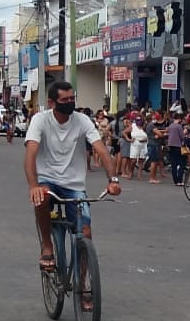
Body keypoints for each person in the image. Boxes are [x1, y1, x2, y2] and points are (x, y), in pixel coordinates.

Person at [25, 81, 121, 274]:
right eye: (65, 100)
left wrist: (113, 180)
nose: (70, 102)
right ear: (52, 103)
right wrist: (34, 185)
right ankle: (47, 246)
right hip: (47, 179)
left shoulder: (82, 120)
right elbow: (30, 155)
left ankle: (83, 286)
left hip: (74, 184)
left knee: (85, 233)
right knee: (40, 199)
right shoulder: (40, 120)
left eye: (72, 98)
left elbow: (101, 150)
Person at [167, 111, 187, 186]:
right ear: (179, 119)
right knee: (182, 163)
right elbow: (182, 137)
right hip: (178, 146)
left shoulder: (171, 126)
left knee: (173, 164)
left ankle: (175, 181)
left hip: (170, 146)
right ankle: (180, 180)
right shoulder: (179, 126)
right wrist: (184, 132)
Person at [145, 111, 166, 184]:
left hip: (153, 144)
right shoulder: (151, 125)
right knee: (154, 161)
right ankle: (152, 178)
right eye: (154, 116)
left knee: (155, 161)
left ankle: (153, 177)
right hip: (154, 144)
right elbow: (160, 134)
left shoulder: (149, 125)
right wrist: (162, 134)